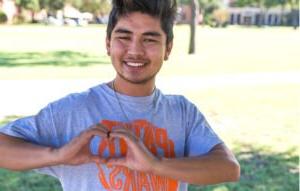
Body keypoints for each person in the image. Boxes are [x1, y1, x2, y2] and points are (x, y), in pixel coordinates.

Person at [0, 0, 240, 190]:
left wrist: (155, 165)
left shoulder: (182, 111)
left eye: (149, 39)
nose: (135, 50)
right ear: (108, 44)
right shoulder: (73, 111)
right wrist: (56, 154)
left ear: (168, 48)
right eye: (124, 37)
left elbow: (228, 168)